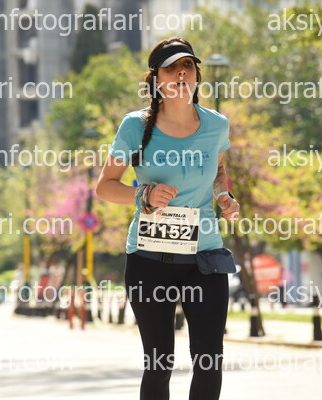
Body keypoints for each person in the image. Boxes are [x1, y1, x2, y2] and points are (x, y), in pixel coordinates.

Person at [95, 37, 240, 400]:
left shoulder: (216, 125)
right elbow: (105, 186)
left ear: (197, 75)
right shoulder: (134, 126)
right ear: (156, 79)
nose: (181, 73)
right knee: (160, 363)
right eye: (171, 68)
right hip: (149, 259)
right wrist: (142, 195)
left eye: (187, 65)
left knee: (209, 360)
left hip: (204, 258)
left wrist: (223, 196)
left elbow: (219, 171)